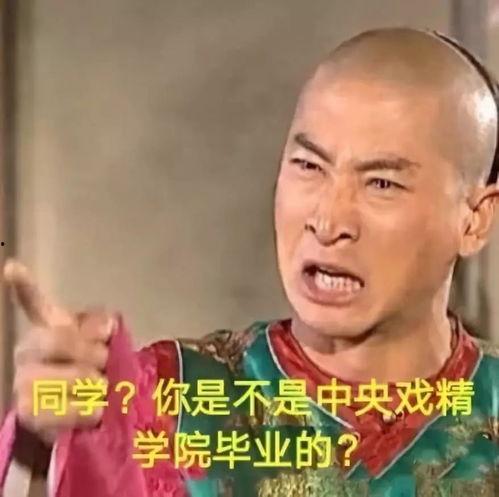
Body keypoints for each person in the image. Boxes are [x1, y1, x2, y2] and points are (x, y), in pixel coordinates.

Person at [0, 27, 498, 497]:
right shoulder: (165, 399)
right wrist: (40, 449)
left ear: (475, 220)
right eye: (308, 165)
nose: (327, 221)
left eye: (381, 184)